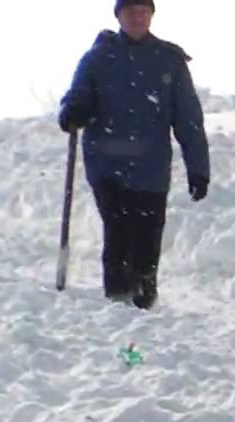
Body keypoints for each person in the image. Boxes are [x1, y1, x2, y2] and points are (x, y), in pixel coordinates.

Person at [57, 0, 209, 309]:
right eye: (130, 12)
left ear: (152, 15)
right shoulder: (98, 58)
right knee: (119, 231)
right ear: (119, 17)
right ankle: (118, 298)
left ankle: (144, 298)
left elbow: (188, 118)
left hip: (151, 168)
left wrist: (198, 168)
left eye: (143, 11)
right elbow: (77, 95)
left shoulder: (169, 61)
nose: (137, 18)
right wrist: (72, 111)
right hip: (107, 164)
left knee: (148, 239)